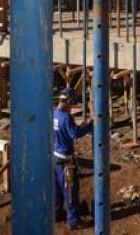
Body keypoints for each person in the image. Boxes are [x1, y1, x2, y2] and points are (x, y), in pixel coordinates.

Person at [53, 86, 92, 229]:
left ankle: (56, 213)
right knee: (70, 190)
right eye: (72, 103)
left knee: (56, 189)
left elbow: (67, 130)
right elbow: (74, 134)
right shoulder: (66, 117)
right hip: (65, 160)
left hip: (54, 158)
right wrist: (88, 126)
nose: (72, 106)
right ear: (68, 100)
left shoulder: (54, 114)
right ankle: (74, 221)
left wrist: (77, 127)